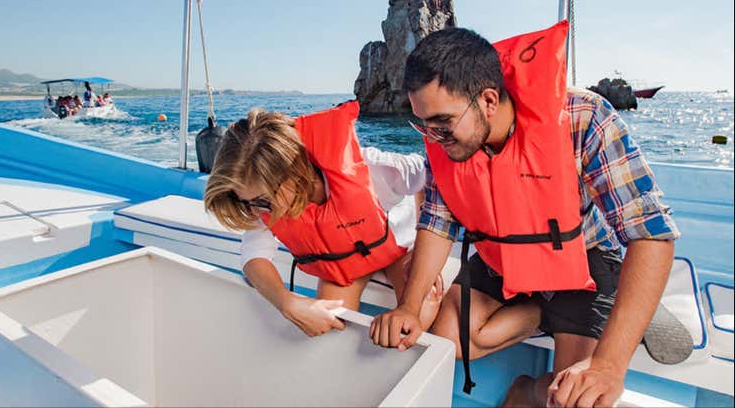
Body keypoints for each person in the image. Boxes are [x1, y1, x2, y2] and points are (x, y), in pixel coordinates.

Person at [370, 22, 680, 408]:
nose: (433, 137)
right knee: (449, 340)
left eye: (443, 124)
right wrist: (410, 308)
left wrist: (608, 365)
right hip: (502, 256)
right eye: (425, 124)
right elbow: (437, 220)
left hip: (582, 261)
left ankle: (541, 374)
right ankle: (539, 314)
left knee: (571, 398)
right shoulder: (444, 142)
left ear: (486, 100)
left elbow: (650, 234)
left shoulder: (584, 118)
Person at [204, 101, 444, 338]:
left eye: (262, 201)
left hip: (398, 251)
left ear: (294, 172)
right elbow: (253, 257)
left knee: (421, 310)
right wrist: (287, 302)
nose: (256, 212)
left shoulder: (372, 169)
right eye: (244, 202)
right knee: (331, 328)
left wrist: (422, 242)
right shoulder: (259, 201)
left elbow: (431, 173)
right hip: (344, 267)